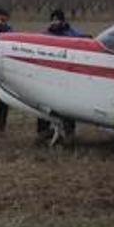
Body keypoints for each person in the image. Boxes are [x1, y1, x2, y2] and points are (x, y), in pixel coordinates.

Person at [36, 9, 84, 143]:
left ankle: (69, 132)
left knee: (67, 106)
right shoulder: (45, 35)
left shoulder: (72, 34)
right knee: (43, 104)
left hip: (66, 77)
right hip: (49, 76)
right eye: (53, 20)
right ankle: (43, 131)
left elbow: (82, 41)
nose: (55, 22)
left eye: (57, 20)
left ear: (63, 21)